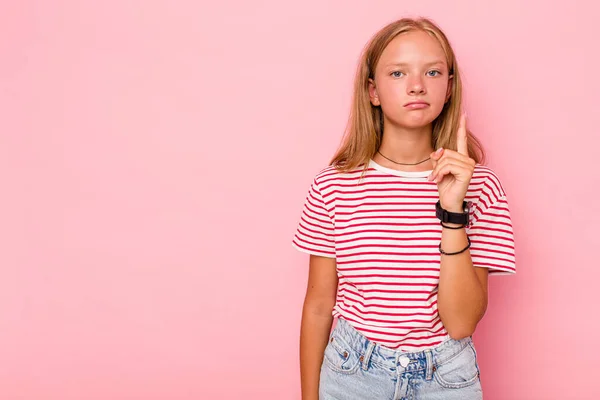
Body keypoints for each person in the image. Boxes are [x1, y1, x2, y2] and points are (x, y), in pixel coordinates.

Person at [291, 17, 516, 400]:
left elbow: (461, 322)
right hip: (351, 374)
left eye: (432, 71)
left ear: (449, 87)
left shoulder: (481, 186)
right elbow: (317, 305)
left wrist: (453, 210)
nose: (416, 85)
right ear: (373, 91)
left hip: (446, 377)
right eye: (398, 73)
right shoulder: (333, 185)